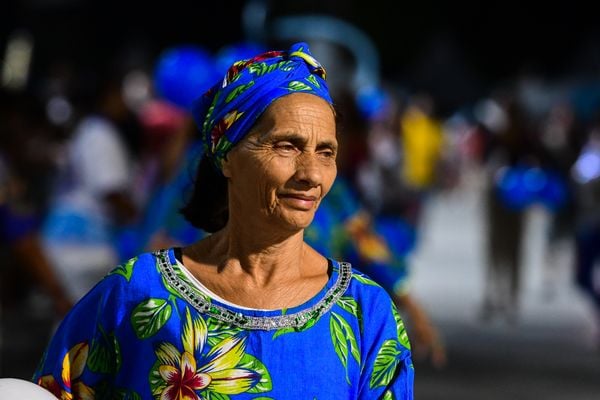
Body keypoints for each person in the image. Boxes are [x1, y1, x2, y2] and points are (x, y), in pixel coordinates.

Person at [34, 43, 414, 399]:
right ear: (227, 156)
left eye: (326, 152)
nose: (311, 174)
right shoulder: (138, 293)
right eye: (286, 145)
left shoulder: (366, 313)